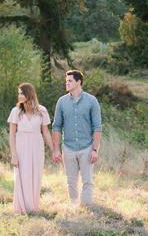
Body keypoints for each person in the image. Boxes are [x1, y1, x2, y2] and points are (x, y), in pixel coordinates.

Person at [51, 70, 102, 206]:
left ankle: (86, 207)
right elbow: (56, 127)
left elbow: (97, 127)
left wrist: (95, 150)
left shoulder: (91, 101)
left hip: (87, 147)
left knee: (87, 181)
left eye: (70, 81)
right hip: (68, 147)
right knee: (71, 181)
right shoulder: (61, 102)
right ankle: (74, 207)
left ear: (78, 82)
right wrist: (56, 150)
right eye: (66, 81)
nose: (66, 83)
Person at [8, 83, 56, 214]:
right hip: (21, 144)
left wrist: (54, 151)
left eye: (22, 93)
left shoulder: (42, 111)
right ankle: (20, 208)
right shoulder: (16, 111)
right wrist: (14, 155)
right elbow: (11, 134)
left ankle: (33, 208)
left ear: (29, 94)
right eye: (18, 93)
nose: (20, 96)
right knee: (22, 175)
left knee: (35, 175)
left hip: (36, 144)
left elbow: (45, 132)